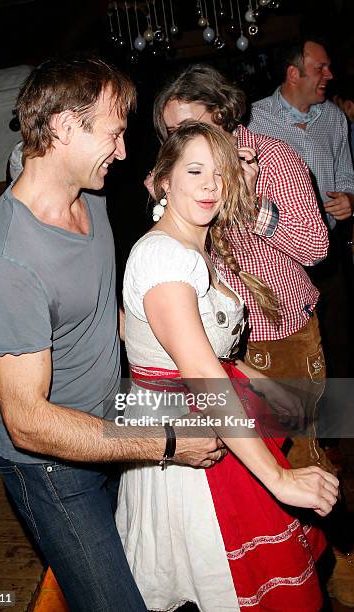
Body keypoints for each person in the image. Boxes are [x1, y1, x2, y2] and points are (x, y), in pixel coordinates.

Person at [0, 58, 227, 612]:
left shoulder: (90, 196)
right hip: (53, 471)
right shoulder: (8, 262)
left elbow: (103, 316)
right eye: (113, 133)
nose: (123, 150)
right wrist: (166, 445)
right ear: (63, 127)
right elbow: (28, 423)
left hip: (111, 420)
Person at [116, 121, 339, 611]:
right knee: (226, 589)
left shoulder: (196, 249)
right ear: (162, 181)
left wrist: (277, 389)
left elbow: (218, 355)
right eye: (194, 170)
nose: (210, 185)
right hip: (191, 443)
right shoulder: (161, 259)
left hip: (213, 418)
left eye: (220, 173)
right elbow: (201, 372)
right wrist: (278, 478)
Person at [149, 63, 331, 469]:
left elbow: (317, 247)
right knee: (247, 465)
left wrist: (250, 208)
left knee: (300, 459)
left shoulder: (273, 157)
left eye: (190, 126)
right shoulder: (190, 169)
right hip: (221, 343)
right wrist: (164, 203)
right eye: (172, 133)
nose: (182, 140)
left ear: (222, 111)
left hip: (282, 335)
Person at [248, 38, 354, 379]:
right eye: (319, 68)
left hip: (328, 253)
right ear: (294, 74)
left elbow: (346, 172)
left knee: (337, 337)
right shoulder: (254, 118)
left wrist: (351, 198)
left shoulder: (335, 117)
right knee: (293, 346)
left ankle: (337, 421)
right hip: (277, 255)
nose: (329, 75)